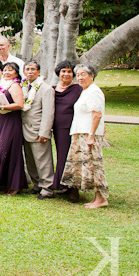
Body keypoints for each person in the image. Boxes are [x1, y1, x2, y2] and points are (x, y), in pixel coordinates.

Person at [62, 64, 109, 209]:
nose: (80, 77)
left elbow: (97, 114)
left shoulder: (94, 91)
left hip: (88, 135)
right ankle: (97, 198)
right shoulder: (86, 91)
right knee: (87, 165)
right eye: (78, 75)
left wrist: (91, 135)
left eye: (83, 74)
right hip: (81, 133)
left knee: (95, 165)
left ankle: (101, 198)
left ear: (92, 75)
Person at [0, 62, 28, 196]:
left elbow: (19, 104)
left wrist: (1, 108)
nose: (7, 72)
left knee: (10, 151)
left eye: (11, 70)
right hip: (1, 122)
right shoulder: (5, 85)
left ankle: (15, 185)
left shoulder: (14, 86)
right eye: (6, 70)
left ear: (16, 73)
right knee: (2, 151)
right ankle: (4, 184)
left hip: (11, 122)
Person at [21, 60, 56, 199]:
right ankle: (36, 185)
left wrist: (44, 132)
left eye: (33, 69)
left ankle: (47, 188)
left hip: (38, 131)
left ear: (39, 71)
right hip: (24, 129)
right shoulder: (23, 86)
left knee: (43, 160)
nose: (30, 72)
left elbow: (48, 113)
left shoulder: (45, 89)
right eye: (27, 69)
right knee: (30, 160)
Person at [51, 60, 83, 194]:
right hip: (58, 128)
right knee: (62, 156)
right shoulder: (52, 89)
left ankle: (74, 188)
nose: (66, 74)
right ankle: (63, 185)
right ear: (59, 73)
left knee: (73, 157)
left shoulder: (78, 89)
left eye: (69, 71)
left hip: (73, 127)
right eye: (63, 71)